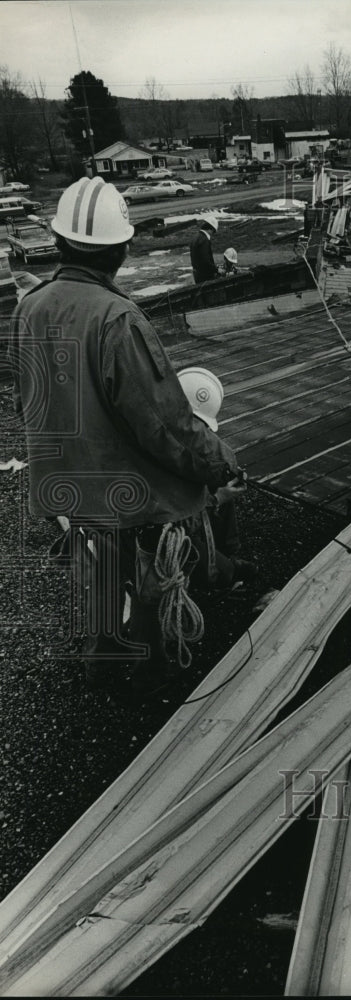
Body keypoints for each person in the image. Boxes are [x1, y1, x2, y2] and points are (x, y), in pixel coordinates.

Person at [9, 176, 242, 692]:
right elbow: (165, 425)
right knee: (150, 572)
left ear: (61, 241)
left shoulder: (29, 307)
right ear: (120, 249)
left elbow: (26, 399)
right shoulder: (118, 318)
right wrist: (220, 463)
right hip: (121, 491)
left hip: (64, 483)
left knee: (98, 573)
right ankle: (153, 673)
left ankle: (104, 660)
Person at [176, 366, 257, 591]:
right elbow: (172, 521)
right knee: (221, 575)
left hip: (176, 521)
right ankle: (227, 567)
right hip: (155, 537)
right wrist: (216, 499)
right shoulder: (157, 452)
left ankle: (229, 553)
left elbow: (221, 457)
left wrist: (228, 474)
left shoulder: (169, 436)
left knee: (223, 480)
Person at [189, 214, 220, 283]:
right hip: (205, 276)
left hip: (197, 275)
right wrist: (216, 269)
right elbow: (206, 261)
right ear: (210, 229)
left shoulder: (196, 237)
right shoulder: (204, 240)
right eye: (213, 232)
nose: (212, 234)